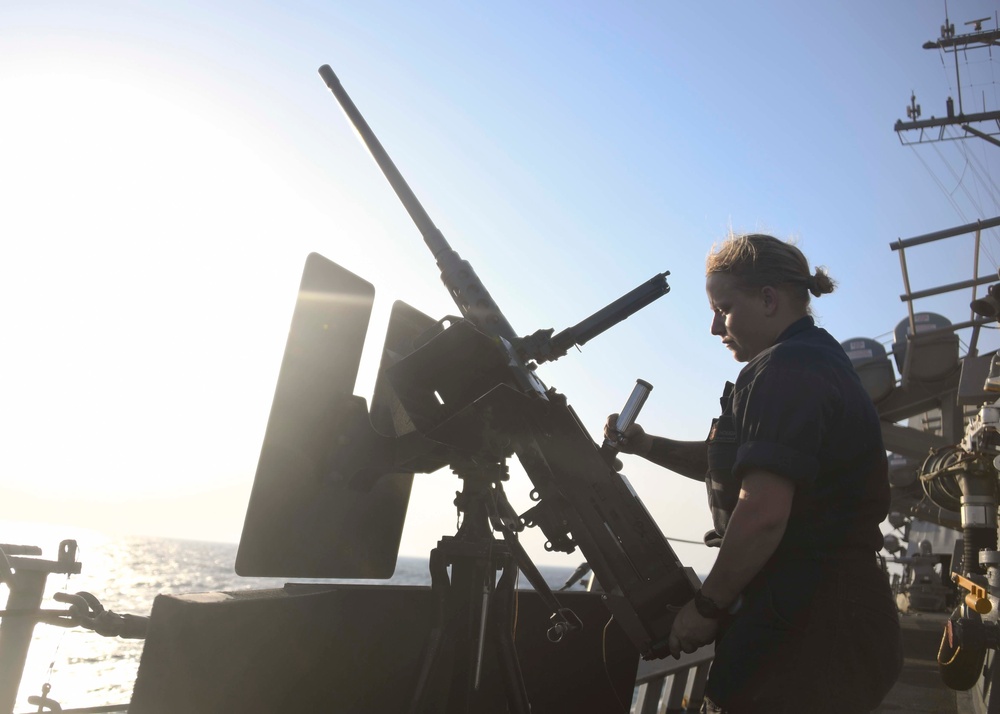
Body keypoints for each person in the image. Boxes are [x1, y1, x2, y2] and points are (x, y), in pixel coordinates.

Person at [606, 233, 902, 713]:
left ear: (768, 299)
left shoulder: (785, 369)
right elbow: (741, 470)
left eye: (722, 309)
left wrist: (706, 608)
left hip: (808, 633)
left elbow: (762, 510)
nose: (714, 327)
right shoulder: (809, 361)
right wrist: (646, 446)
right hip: (825, 622)